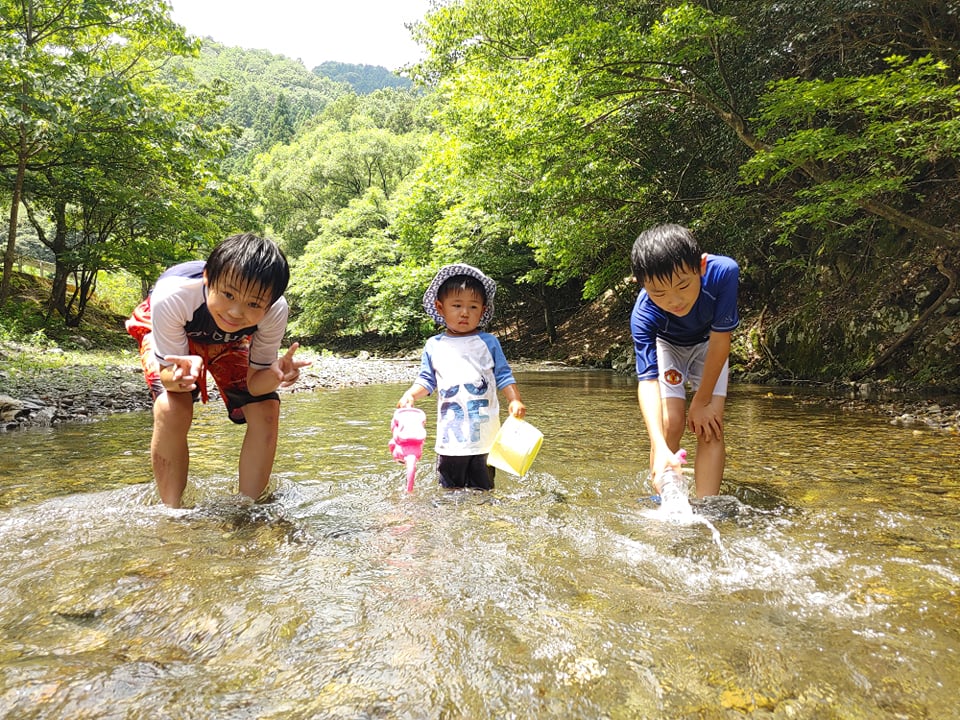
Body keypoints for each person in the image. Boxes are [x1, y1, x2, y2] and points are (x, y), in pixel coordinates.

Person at [125, 232, 310, 508]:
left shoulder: (275, 311)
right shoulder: (173, 294)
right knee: (172, 406)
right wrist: (178, 377)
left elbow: (256, 386)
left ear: (270, 303)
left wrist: (275, 375)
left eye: (253, 304)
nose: (235, 312)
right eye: (228, 294)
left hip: (230, 340)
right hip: (169, 329)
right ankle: (172, 513)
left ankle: (248, 509)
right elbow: (167, 377)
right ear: (208, 278)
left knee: (266, 407)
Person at [630, 223, 739, 497]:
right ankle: (665, 499)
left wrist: (701, 401)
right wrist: (658, 443)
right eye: (659, 293)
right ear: (642, 284)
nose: (674, 300)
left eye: (683, 285)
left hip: (709, 344)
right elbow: (648, 382)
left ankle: (708, 505)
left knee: (710, 423)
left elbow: (720, 341)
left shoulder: (723, 273)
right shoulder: (643, 314)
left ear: (700, 266)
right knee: (670, 422)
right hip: (668, 346)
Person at [397, 263, 526, 490]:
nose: (465, 312)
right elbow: (427, 380)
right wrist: (411, 395)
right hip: (450, 440)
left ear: (483, 310)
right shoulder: (434, 345)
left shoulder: (488, 342)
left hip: (485, 438)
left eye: (473, 307)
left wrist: (514, 399)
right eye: (457, 305)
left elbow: (503, 375)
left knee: (484, 490)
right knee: (449, 491)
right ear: (440, 307)